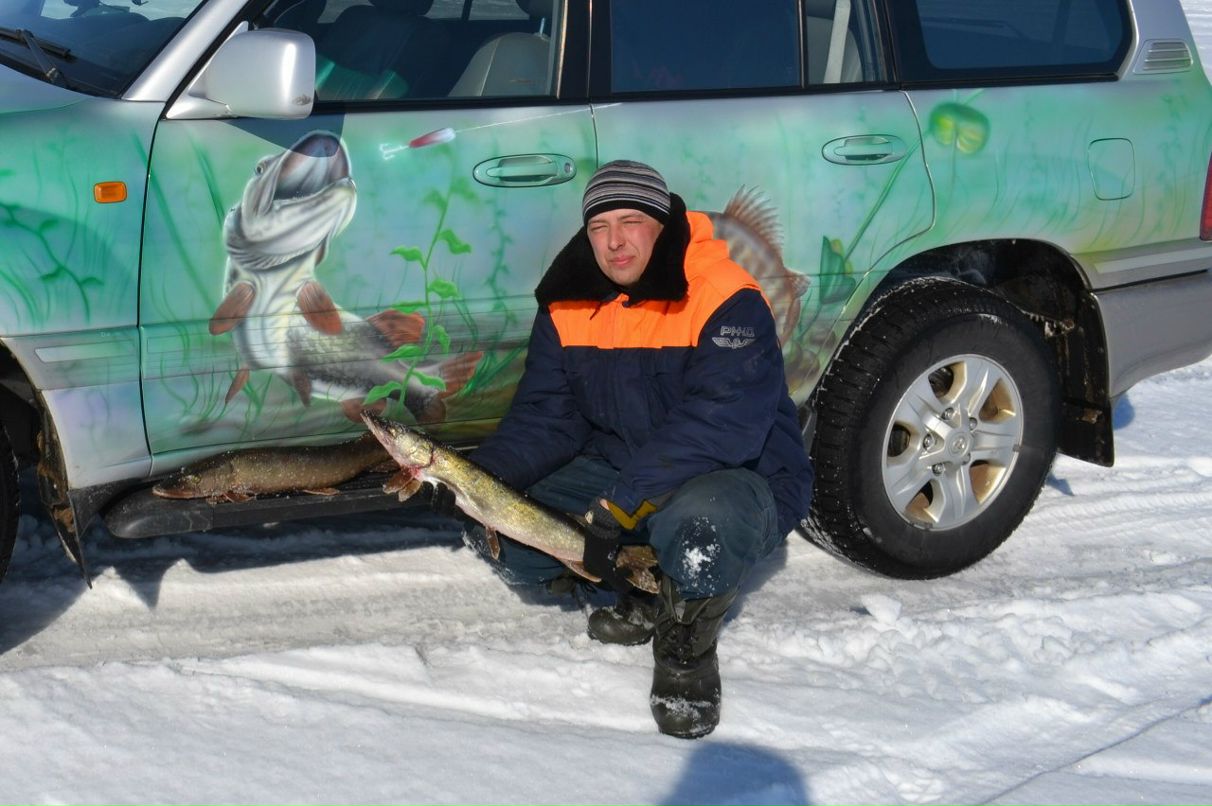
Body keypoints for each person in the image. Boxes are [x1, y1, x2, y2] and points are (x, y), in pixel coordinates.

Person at [436, 160, 813, 738]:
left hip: (735, 474)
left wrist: (617, 504)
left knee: (701, 529)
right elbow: (547, 420)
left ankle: (685, 648)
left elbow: (721, 425)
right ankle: (644, 586)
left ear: (662, 225)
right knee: (509, 530)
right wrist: (472, 478)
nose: (614, 241)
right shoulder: (568, 304)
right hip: (624, 469)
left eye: (631, 221)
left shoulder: (724, 295)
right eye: (599, 226)